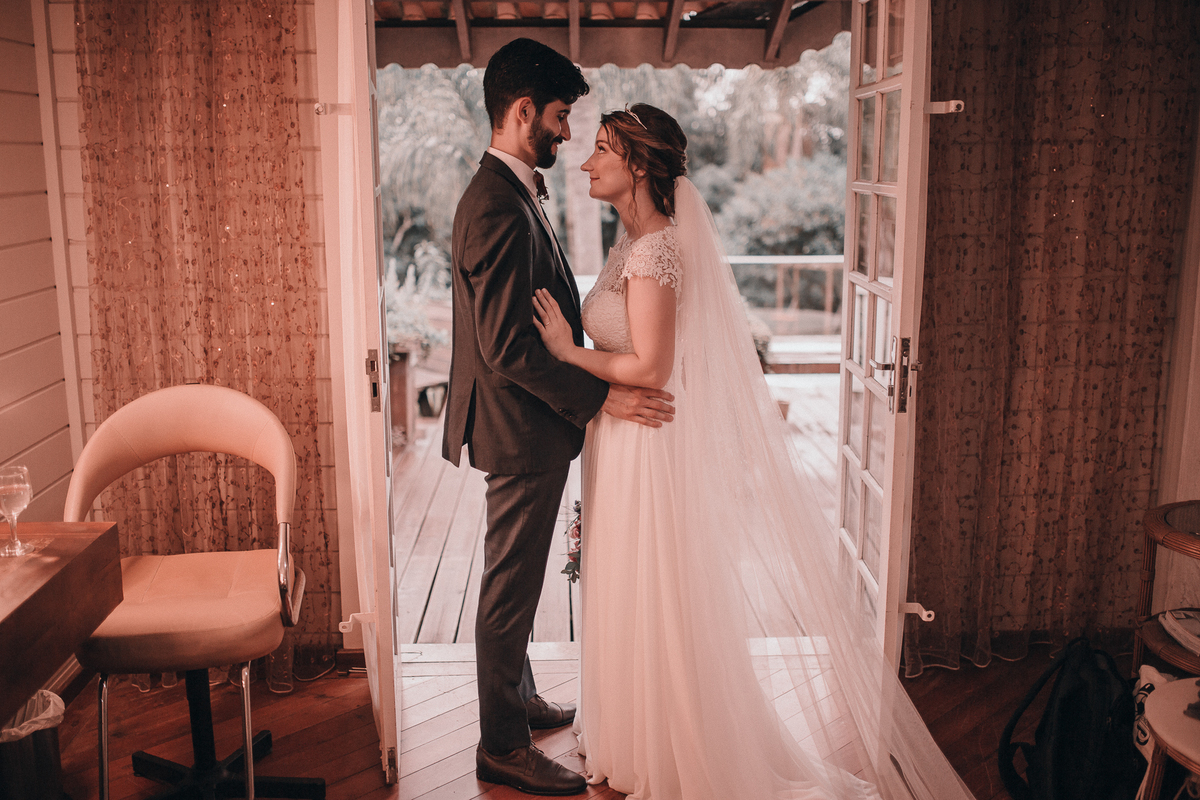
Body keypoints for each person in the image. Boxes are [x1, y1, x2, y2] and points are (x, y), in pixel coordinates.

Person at [533, 104, 977, 800]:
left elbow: (651, 365)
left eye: (601, 150)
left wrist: (567, 353)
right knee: (625, 576)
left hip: (647, 438)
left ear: (640, 165)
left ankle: (666, 735)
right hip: (618, 437)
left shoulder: (658, 250)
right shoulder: (631, 244)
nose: (586, 162)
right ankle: (628, 725)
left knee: (653, 579)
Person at [442, 41, 675, 796]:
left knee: (520, 576)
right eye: (560, 115)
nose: (568, 133)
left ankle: (520, 697)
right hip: (519, 428)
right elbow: (508, 346)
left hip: (528, 423)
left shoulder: (513, 191)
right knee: (509, 589)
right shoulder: (495, 204)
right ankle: (501, 747)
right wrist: (603, 396)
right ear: (521, 113)